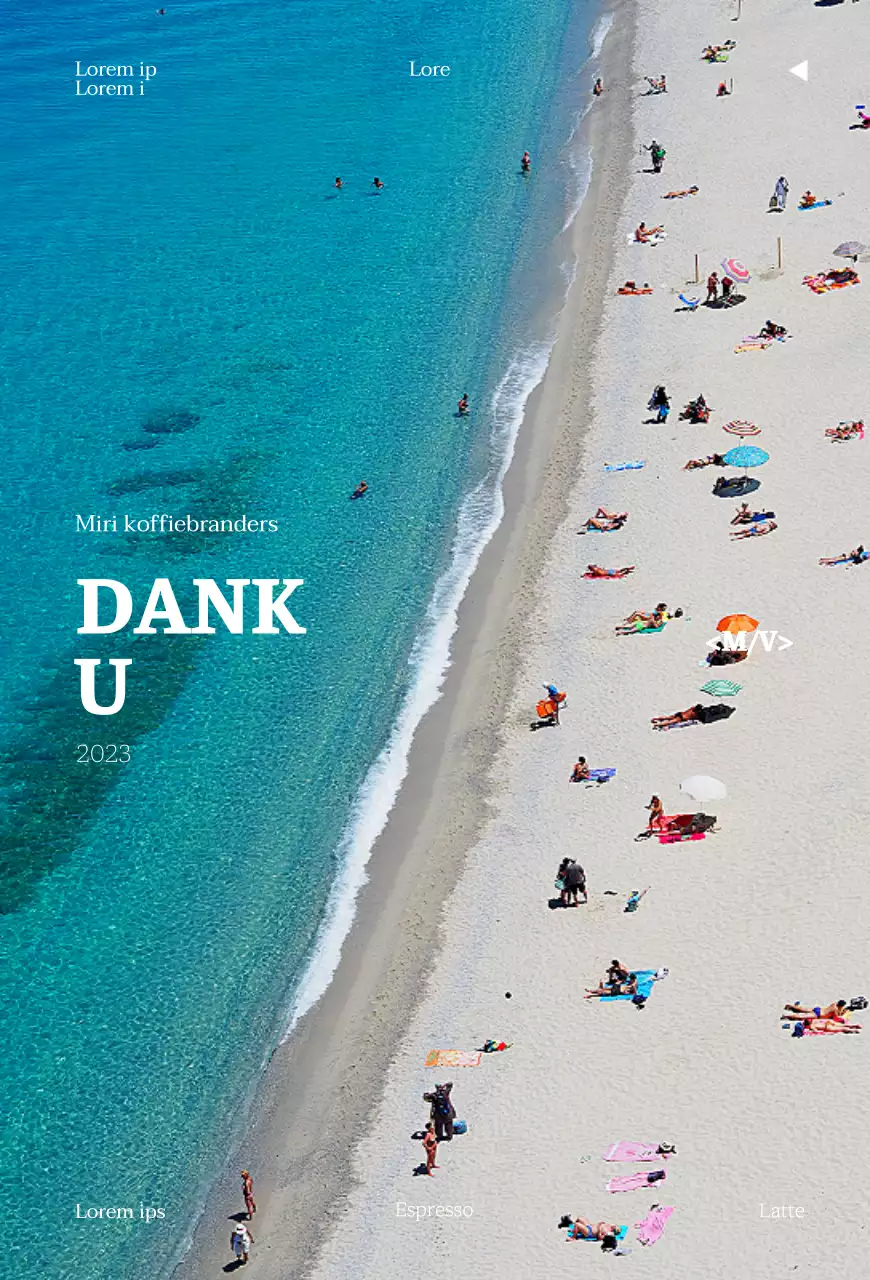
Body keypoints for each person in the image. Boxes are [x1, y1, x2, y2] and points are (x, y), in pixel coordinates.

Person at [784, 1000, 848, 1020]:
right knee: (802, 1016)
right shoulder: (835, 1010)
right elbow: (835, 1017)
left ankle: (791, 1006)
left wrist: (840, 1011)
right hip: (818, 1014)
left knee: (802, 1009)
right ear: (841, 1006)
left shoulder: (834, 1004)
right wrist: (842, 1014)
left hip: (818, 1009)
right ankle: (786, 1016)